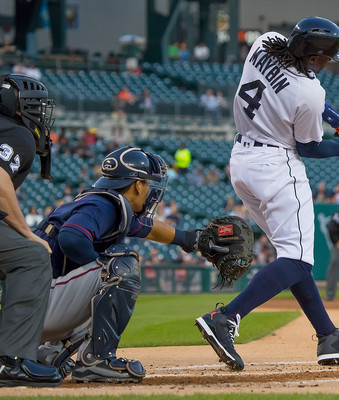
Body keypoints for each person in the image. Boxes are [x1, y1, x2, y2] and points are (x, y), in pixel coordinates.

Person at [194, 16, 339, 372]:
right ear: (313, 58)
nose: (328, 63)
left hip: (243, 161)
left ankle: (328, 337)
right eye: (326, 58)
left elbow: (300, 98)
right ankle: (226, 318)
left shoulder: (266, 41)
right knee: (298, 259)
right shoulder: (309, 91)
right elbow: (309, 147)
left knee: (291, 255)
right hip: (277, 167)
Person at [33, 146, 207, 383]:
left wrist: (193, 240)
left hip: (30, 308)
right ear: (138, 184)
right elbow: (70, 237)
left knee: (106, 275)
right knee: (118, 267)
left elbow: (149, 228)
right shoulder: (103, 205)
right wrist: (99, 269)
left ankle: (45, 354)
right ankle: (97, 360)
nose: (150, 190)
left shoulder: (105, 203)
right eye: (148, 183)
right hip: (36, 307)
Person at [0, 74, 63, 387]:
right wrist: (27, 232)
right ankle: (10, 360)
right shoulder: (17, 133)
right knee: (32, 255)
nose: (41, 115)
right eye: (37, 107)